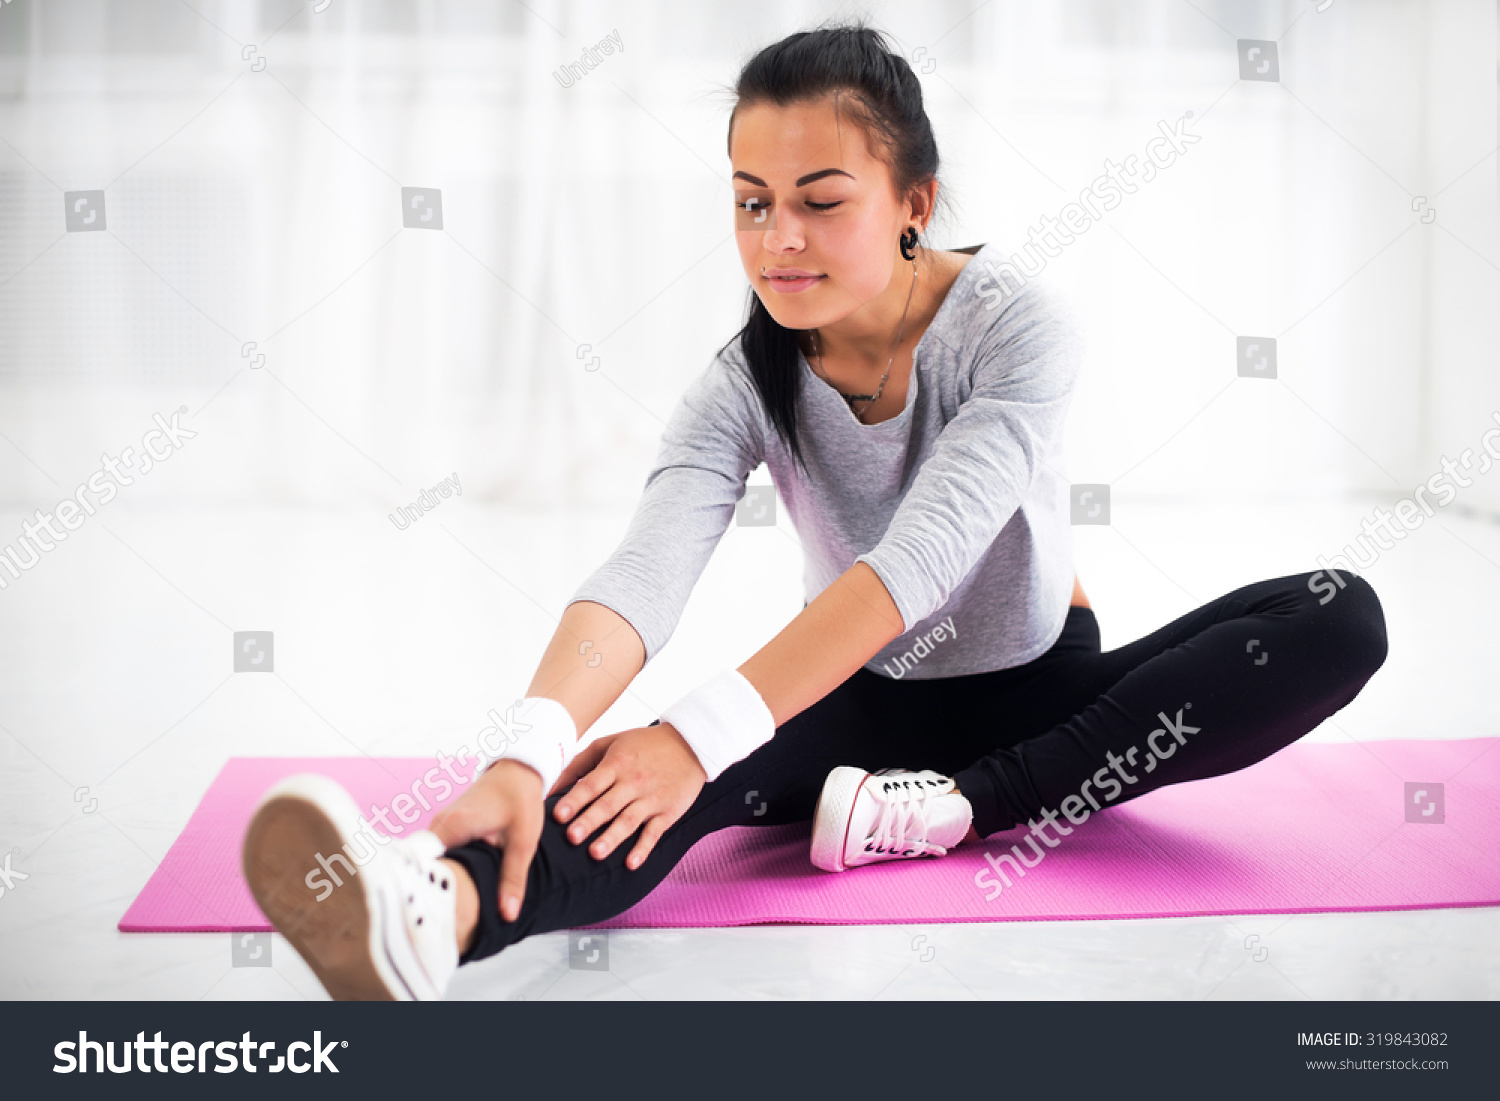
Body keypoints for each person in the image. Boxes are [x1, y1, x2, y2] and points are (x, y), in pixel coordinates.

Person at [241, 22, 1388, 1001]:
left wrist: (699, 726)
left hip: (1048, 697)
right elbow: (647, 569)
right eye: (752, 203)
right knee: (640, 788)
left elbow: (919, 562)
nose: (777, 240)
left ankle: (953, 811)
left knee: (1341, 617)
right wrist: (528, 748)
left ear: (913, 205)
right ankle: (428, 915)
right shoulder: (742, 381)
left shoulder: (1017, 331)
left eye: (820, 201)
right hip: (854, 705)